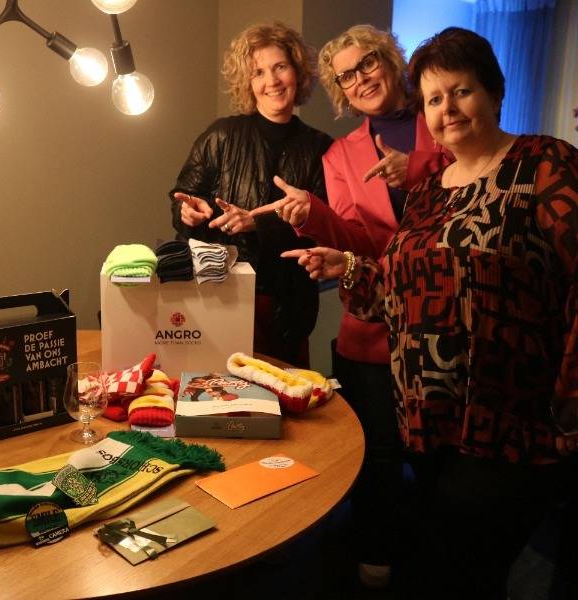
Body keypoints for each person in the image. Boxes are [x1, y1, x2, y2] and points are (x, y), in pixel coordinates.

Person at [282, 27, 578, 600]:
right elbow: (400, 285)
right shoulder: (431, 191)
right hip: (432, 422)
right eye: (437, 98)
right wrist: (346, 264)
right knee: (451, 565)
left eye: (461, 91)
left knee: (455, 569)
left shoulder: (544, 163)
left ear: (494, 92)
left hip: (510, 421)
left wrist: (571, 400)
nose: (448, 108)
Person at [249, 24, 448, 588]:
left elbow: (471, 198)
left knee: (440, 457)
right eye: (345, 77)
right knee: (378, 453)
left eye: (367, 65)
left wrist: (418, 171)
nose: (359, 80)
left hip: (443, 324)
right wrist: (312, 213)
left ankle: (442, 556)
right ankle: (376, 553)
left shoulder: (441, 121)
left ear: (390, 60)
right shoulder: (341, 154)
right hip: (375, 327)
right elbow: (354, 238)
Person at [168, 22, 333, 368]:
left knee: (285, 393)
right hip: (219, 298)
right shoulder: (220, 135)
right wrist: (189, 213)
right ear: (247, 82)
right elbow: (183, 198)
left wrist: (258, 223)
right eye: (258, 72)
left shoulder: (321, 148)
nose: (271, 81)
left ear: (297, 72)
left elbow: (324, 228)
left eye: (280, 67)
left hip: (289, 307)